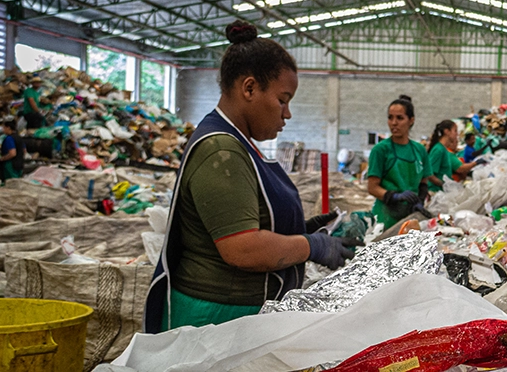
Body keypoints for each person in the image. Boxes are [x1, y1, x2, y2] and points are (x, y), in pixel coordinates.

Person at [143, 20, 363, 333]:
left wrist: (302, 229)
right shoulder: (221, 149)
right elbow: (242, 248)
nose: (286, 114)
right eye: (283, 100)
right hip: (215, 319)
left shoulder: (238, 143)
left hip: (237, 314)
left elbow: (248, 218)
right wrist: (310, 246)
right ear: (249, 88)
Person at [367, 95, 433, 226]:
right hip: (385, 218)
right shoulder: (381, 150)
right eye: (390, 117)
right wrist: (394, 196)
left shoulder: (419, 150)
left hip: (410, 216)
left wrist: (419, 201)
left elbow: (423, 183)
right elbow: (372, 187)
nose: (394, 123)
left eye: (400, 118)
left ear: (411, 120)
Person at [427, 120, 482, 191]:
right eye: (455, 131)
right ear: (447, 132)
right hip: (436, 191)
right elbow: (429, 174)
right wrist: (444, 184)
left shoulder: (444, 149)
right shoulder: (438, 150)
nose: (457, 134)